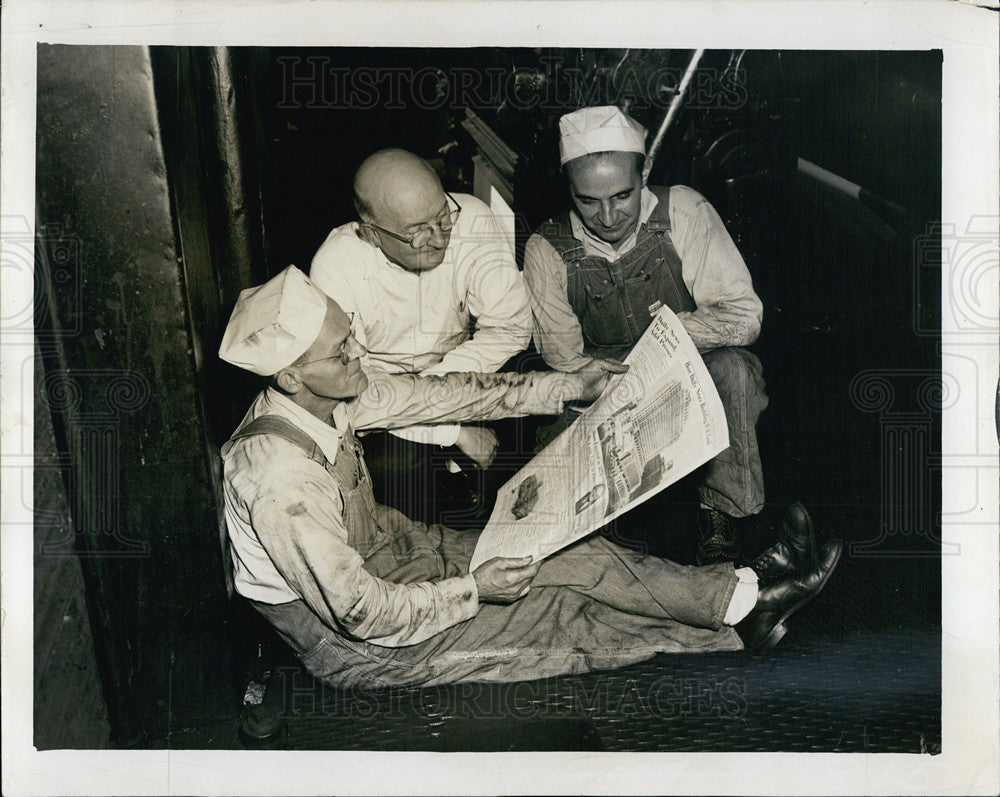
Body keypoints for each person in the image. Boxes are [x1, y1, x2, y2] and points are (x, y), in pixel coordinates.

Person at [218, 266, 842, 689]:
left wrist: (569, 385)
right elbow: (362, 613)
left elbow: (450, 394)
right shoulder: (278, 478)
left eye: (350, 335)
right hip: (357, 643)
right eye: (340, 351)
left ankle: (740, 590)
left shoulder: (331, 393)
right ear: (290, 377)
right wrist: (476, 590)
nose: (357, 353)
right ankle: (740, 631)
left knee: (572, 552)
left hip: (391, 549)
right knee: (561, 616)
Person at [523, 105, 769, 565]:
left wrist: (670, 337)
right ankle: (594, 550)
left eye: (622, 195)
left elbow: (744, 317)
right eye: (588, 200)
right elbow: (563, 360)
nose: (608, 215)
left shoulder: (685, 211)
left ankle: (723, 516)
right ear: (568, 188)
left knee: (735, 371)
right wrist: (618, 387)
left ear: (646, 172)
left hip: (687, 364)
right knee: (547, 480)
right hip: (601, 385)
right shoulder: (546, 248)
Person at [310, 149, 532, 523]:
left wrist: (441, 390)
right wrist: (451, 430)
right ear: (372, 233)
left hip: (466, 370)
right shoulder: (335, 267)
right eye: (416, 232)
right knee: (395, 483)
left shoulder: (473, 218)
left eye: (443, 217)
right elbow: (353, 391)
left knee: (530, 418)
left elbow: (510, 327)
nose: (439, 238)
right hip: (380, 400)